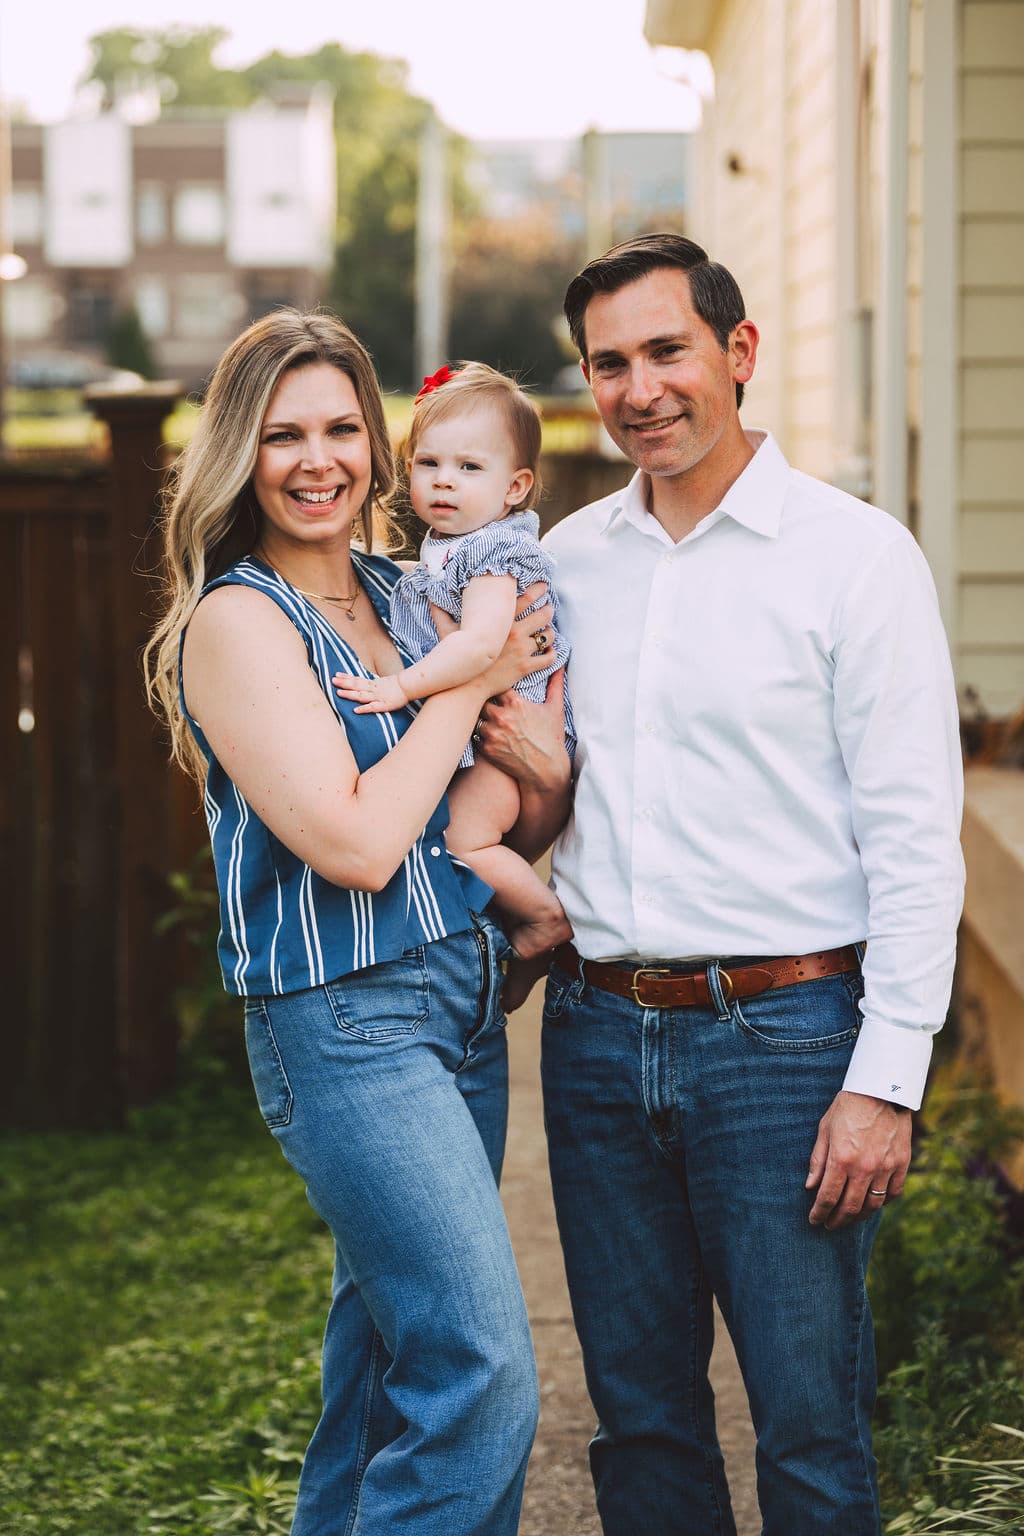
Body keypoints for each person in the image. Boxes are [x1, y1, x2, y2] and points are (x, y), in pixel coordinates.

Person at [484, 233, 965, 1535]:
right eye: (608, 364)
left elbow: (920, 841)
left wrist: (886, 1081)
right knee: (640, 1426)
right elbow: (547, 793)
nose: (639, 389)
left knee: (808, 1425)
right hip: (593, 1041)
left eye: (666, 351)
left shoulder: (856, 560)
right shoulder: (565, 566)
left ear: (737, 354)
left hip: (787, 1046)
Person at [143, 309, 561, 1536]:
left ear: (380, 446)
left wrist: (522, 749)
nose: (316, 459)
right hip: (345, 1025)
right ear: (239, 452)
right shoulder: (240, 620)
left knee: (388, 1371)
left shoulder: (412, 587)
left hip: (460, 1003)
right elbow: (362, 844)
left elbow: (485, 806)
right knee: (480, 1374)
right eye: (282, 435)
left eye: (340, 428)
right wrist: (477, 678)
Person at [332, 361, 573, 961]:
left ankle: (544, 918)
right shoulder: (452, 547)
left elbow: (481, 645)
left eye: (469, 468)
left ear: (514, 488)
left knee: (463, 842)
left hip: (505, 732)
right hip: (495, 730)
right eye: (429, 463)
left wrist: (399, 687)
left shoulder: (491, 552)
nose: (444, 481)